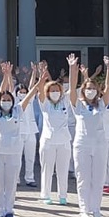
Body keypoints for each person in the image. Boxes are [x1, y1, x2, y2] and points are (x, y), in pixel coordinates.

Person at [0, 62, 36, 217]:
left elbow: (29, 95)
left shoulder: (18, 110)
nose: (6, 101)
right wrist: (4, 75)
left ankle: (9, 210)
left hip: (13, 152)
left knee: (11, 184)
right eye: (3, 99)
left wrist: (40, 81)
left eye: (8, 99)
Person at [68, 55, 109, 217]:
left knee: (98, 178)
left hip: (100, 145)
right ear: (84, 90)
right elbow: (72, 89)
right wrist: (73, 69)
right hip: (82, 145)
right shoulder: (78, 105)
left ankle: (96, 209)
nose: (90, 91)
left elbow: (108, 88)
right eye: (87, 88)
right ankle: (84, 210)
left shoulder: (101, 104)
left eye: (93, 88)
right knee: (83, 178)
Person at [37, 70, 72, 206]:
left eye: (57, 90)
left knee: (62, 170)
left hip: (63, 141)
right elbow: (40, 90)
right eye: (52, 90)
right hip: (48, 141)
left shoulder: (65, 101)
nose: (55, 92)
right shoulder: (45, 103)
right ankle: (46, 194)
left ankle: (62, 196)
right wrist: (42, 77)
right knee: (47, 169)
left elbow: (73, 85)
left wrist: (72, 68)